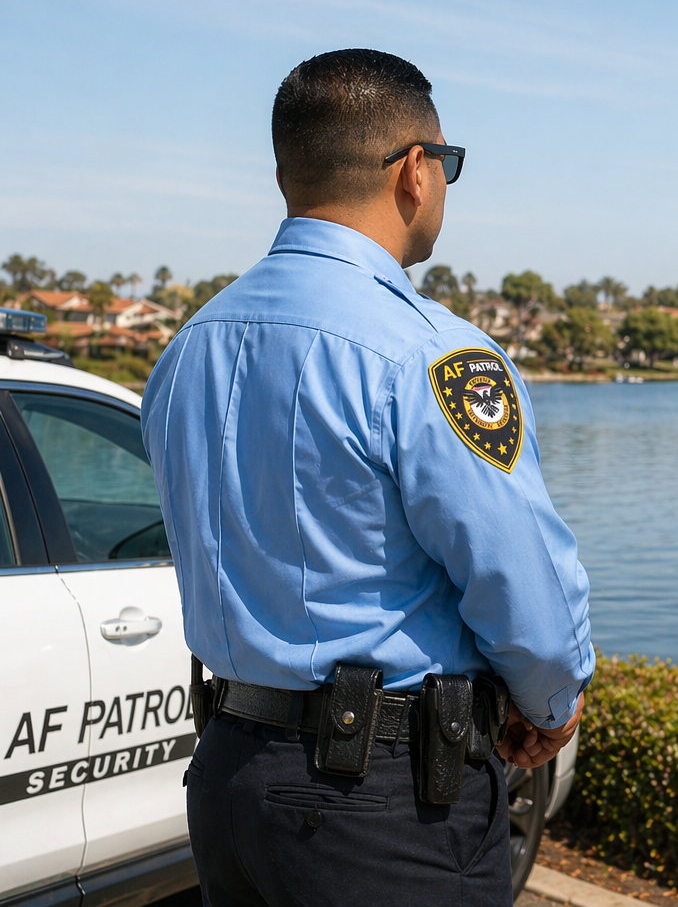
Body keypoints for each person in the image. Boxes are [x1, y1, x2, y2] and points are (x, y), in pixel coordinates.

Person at [141, 48, 593, 907]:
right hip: (380, 807)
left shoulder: (188, 349)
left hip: (230, 778)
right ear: (416, 173)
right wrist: (552, 698)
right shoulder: (428, 354)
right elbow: (515, 573)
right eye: (448, 164)